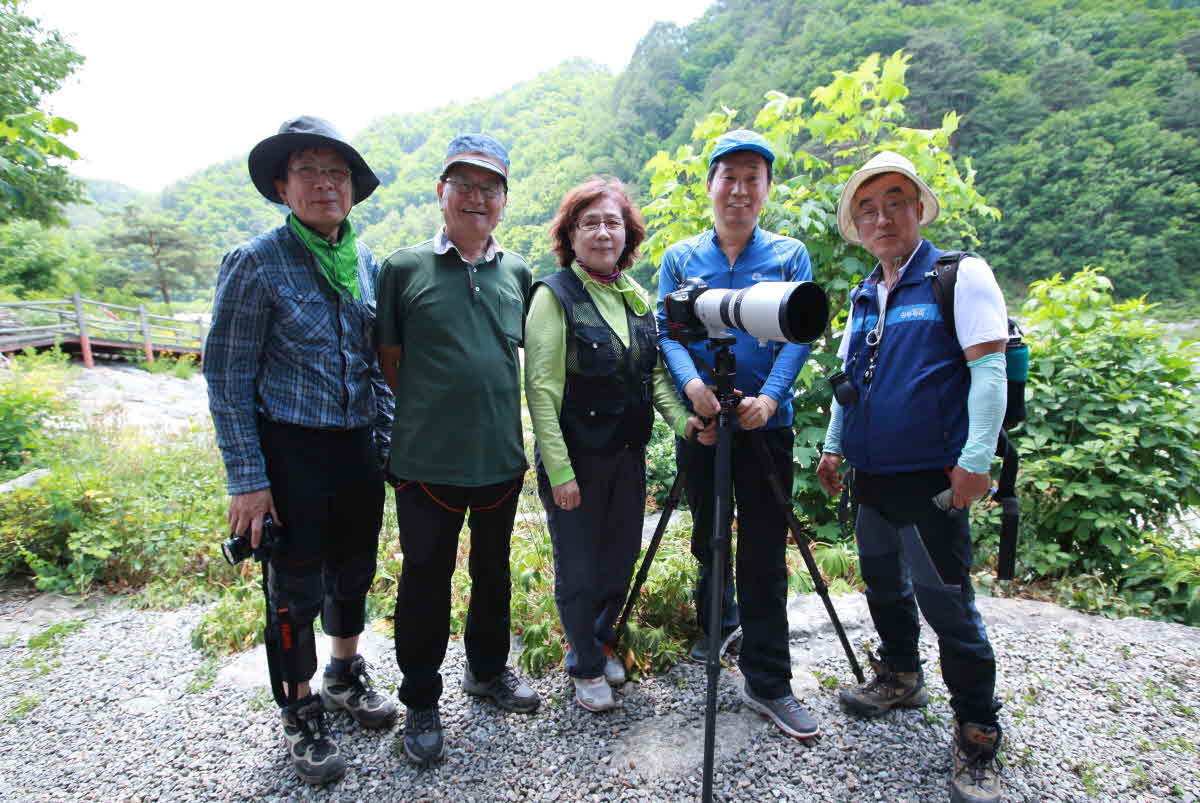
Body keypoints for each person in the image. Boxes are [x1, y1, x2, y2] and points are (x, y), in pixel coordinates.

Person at [204, 115, 397, 786]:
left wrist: (386, 442)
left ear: (352, 188)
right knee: (294, 586)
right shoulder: (256, 262)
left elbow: (376, 365)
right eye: (308, 172)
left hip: (356, 445)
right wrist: (247, 477)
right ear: (282, 187)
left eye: (337, 173)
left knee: (355, 568)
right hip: (289, 450)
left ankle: (344, 672)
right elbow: (227, 375)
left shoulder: (365, 263)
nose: (325, 184)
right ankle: (300, 704)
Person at [815, 150, 1007, 803]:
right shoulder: (864, 293)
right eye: (867, 208)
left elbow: (989, 371)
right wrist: (833, 448)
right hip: (873, 476)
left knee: (946, 602)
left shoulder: (958, 275)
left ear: (919, 207)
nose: (882, 217)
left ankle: (977, 730)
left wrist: (976, 461)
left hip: (933, 479)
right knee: (883, 586)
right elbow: (847, 382)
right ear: (857, 224)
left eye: (895, 201)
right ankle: (900, 675)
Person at [375, 133, 539, 767]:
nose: (477, 197)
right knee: (425, 578)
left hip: (499, 457)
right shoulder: (404, 268)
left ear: (503, 199)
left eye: (490, 187)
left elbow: (525, 356)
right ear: (441, 192)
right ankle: (420, 697)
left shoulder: (517, 272)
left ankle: (487, 670)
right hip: (425, 463)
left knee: (493, 570)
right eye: (464, 185)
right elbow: (390, 361)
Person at [656, 129, 819, 740]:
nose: (740, 190)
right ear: (710, 186)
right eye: (729, 177)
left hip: (766, 426)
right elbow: (668, 331)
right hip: (703, 423)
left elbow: (798, 334)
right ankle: (717, 626)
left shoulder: (789, 255)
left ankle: (769, 680)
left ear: (768, 189)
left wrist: (769, 397)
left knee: (763, 552)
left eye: (754, 179)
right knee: (708, 535)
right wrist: (693, 388)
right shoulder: (680, 258)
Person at [525, 177, 708, 713]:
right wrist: (560, 472)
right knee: (578, 567)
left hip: (627, 457)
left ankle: (601, 640)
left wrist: (686, 423)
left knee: (619, 559)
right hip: (577, 460)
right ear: (570, 235)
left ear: (627, 234)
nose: (603, 232)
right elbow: (541, 391)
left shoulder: (635, 298)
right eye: (590, 223)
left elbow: (654, 379)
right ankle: (583, 662)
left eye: (612, 222)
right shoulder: (554, 296)